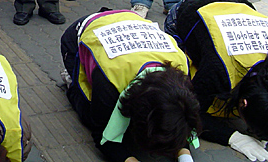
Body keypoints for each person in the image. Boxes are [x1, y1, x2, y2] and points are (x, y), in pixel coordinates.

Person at [164, 0, 268, 161]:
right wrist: (232, 137)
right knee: (175, 69)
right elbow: (190, 111)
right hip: (187, 11)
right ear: (243, 104)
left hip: (239, 5)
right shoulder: (218, 70)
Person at [60, 9, 201, 162]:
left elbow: (180, 121)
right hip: (81, 34)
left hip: (129, 22)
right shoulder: (110, 78)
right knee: (92, 114)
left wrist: (184, 154)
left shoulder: (181, 70)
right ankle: (72, 82)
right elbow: (101, 135)